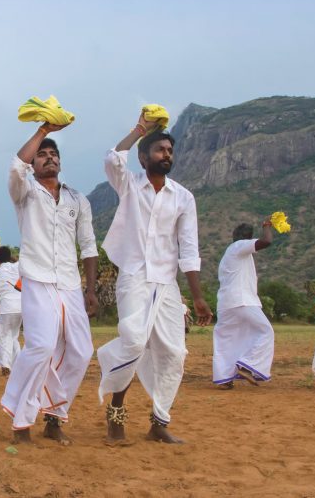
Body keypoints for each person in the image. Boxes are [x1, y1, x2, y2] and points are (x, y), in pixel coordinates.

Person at [97, 112, 213, 445]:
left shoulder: (183, 197)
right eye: (160, 150)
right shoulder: (130, 185)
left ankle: (159, 422)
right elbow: (112, 159)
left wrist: (198, 296)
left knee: (175, 354)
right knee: (133, 342)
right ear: (144, 156)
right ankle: (116, 415)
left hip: (166, 284)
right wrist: (139, 129)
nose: (167, 155)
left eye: (170, 151)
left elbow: (189, 250)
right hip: (134, 278)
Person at [1, 123, 99, 446]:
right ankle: (22, 420)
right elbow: (16, 166)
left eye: (53, 154)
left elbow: (88, 246)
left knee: (82, 352)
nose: (48, 158)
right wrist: (43, 129)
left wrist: (91, 289)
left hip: (70, 284)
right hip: (36, 279)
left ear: (61, 162)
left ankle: (55, 415)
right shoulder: (25, 192)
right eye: (41, 155)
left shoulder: (77, 199)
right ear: (34, 163)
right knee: (41, 347)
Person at [212, 218, 276, 388]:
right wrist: (267, 227)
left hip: (226, 303)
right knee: (265, 331)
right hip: (242, 300)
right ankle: (248, 365)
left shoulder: (229, 253)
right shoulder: (240, 246)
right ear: (248, 238)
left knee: (227, 340)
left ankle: (224, 379)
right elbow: (266, 241)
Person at [0, 246, 22, 376]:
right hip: (21, 307)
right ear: (10, 256)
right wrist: (8, 256)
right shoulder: (18, 267)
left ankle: (6, 365)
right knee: (13, 337)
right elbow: (18, 260)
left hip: (6, 308)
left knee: (2, 337)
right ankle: (19, 365)